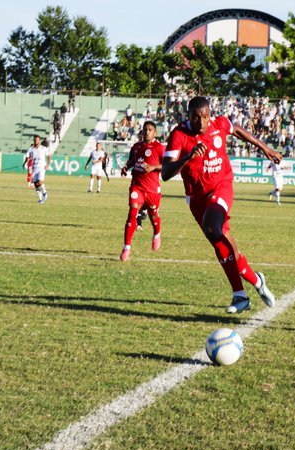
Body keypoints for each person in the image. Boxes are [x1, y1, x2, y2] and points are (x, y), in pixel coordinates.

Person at [162, 96, 280, 314]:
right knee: (222, 244)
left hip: (221, 186)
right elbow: (166, 173)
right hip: (196, 198)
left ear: (210, 115)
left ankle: (239, 293)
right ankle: (252, 285)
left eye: (205, 117)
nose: (202, 122)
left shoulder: (219, 124)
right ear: (189, 116)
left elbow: (236, 129)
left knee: (213, 227)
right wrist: (187, 157)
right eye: (196, 118)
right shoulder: (179, 135)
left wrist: (265, 148)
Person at [119, 121, 164, 261]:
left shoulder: (159, 148)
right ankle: (126, 247)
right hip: (137, 186)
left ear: (155, 133)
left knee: (153, 215)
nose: (147, 131)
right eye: (145, 129)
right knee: (133, 212)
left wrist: (153, 167)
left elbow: (168, 166)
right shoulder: (137, 146)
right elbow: (133, 160)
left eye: (150, 129)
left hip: (152, 190)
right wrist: (127, 167)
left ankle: (157, 233)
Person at [23, 135, 51, 204]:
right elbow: (27, 156)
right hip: (34, 168)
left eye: (37, 140)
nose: (36, 141)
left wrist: (48, 164)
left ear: (39, 141)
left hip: (41, 167)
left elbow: (49, 156)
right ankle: (41, 199)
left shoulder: (43, 148)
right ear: (34, 141)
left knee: (40, 182)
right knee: (36, 184)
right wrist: (24, 163)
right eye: (35, 140)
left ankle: (44, 192)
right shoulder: (31, 149)